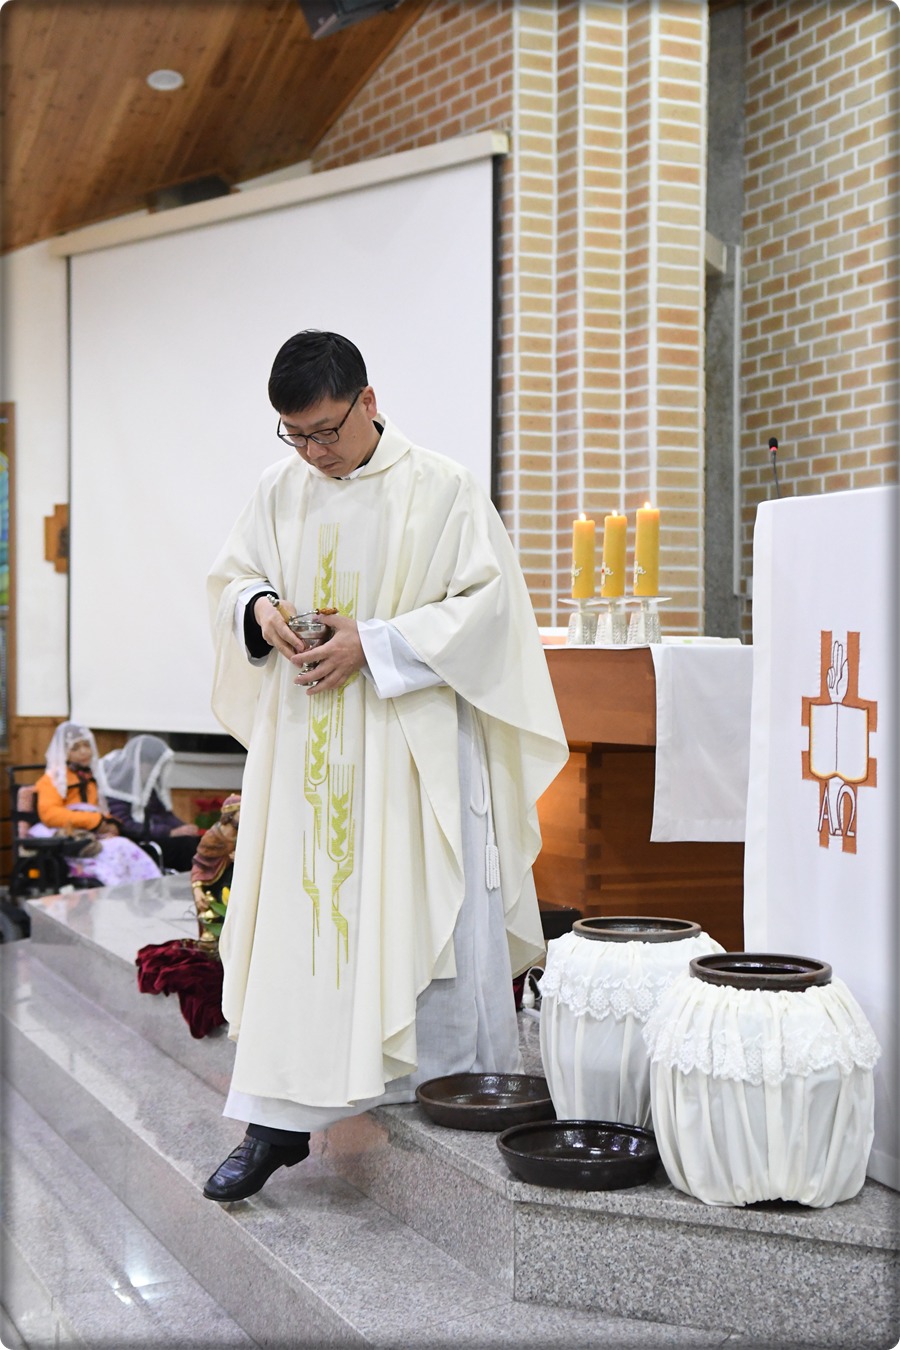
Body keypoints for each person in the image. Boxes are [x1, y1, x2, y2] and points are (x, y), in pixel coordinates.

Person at [203, 330, 567, 1202]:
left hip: (409, 754)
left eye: (326, 430)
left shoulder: (442, 488)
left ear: (368, 401)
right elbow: (232, 578)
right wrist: (260, 611)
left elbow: (490, 612)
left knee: (416, 907)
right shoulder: (278, 489)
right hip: (310, 753)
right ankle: (276, 1124)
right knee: (308, 924)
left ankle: (441, 1097)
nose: (313, 452)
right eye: (296, 435)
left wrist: (375, 643)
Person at [31, 722, 162, 887]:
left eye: (86, 745)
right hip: (69, 839)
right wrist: (96, 821)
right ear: (64, 753)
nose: (84, 751)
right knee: (119, 848)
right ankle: (124, 890)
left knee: (124, 846)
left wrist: (111, 823)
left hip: (93, 834)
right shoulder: (52, 780)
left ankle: (146, 890)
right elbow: (50, 814)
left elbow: (97, 810)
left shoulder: (90, 780)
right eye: (75, 748)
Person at [101, 734, 201, 871]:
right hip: (138, 840)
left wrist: (183, 827)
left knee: (200, 842)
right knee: (185, 845)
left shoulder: (149, 788)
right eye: (149, 765)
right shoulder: (118, 787)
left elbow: (165, 814)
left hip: (155, 835)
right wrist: (169, 832)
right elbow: (124, 824)